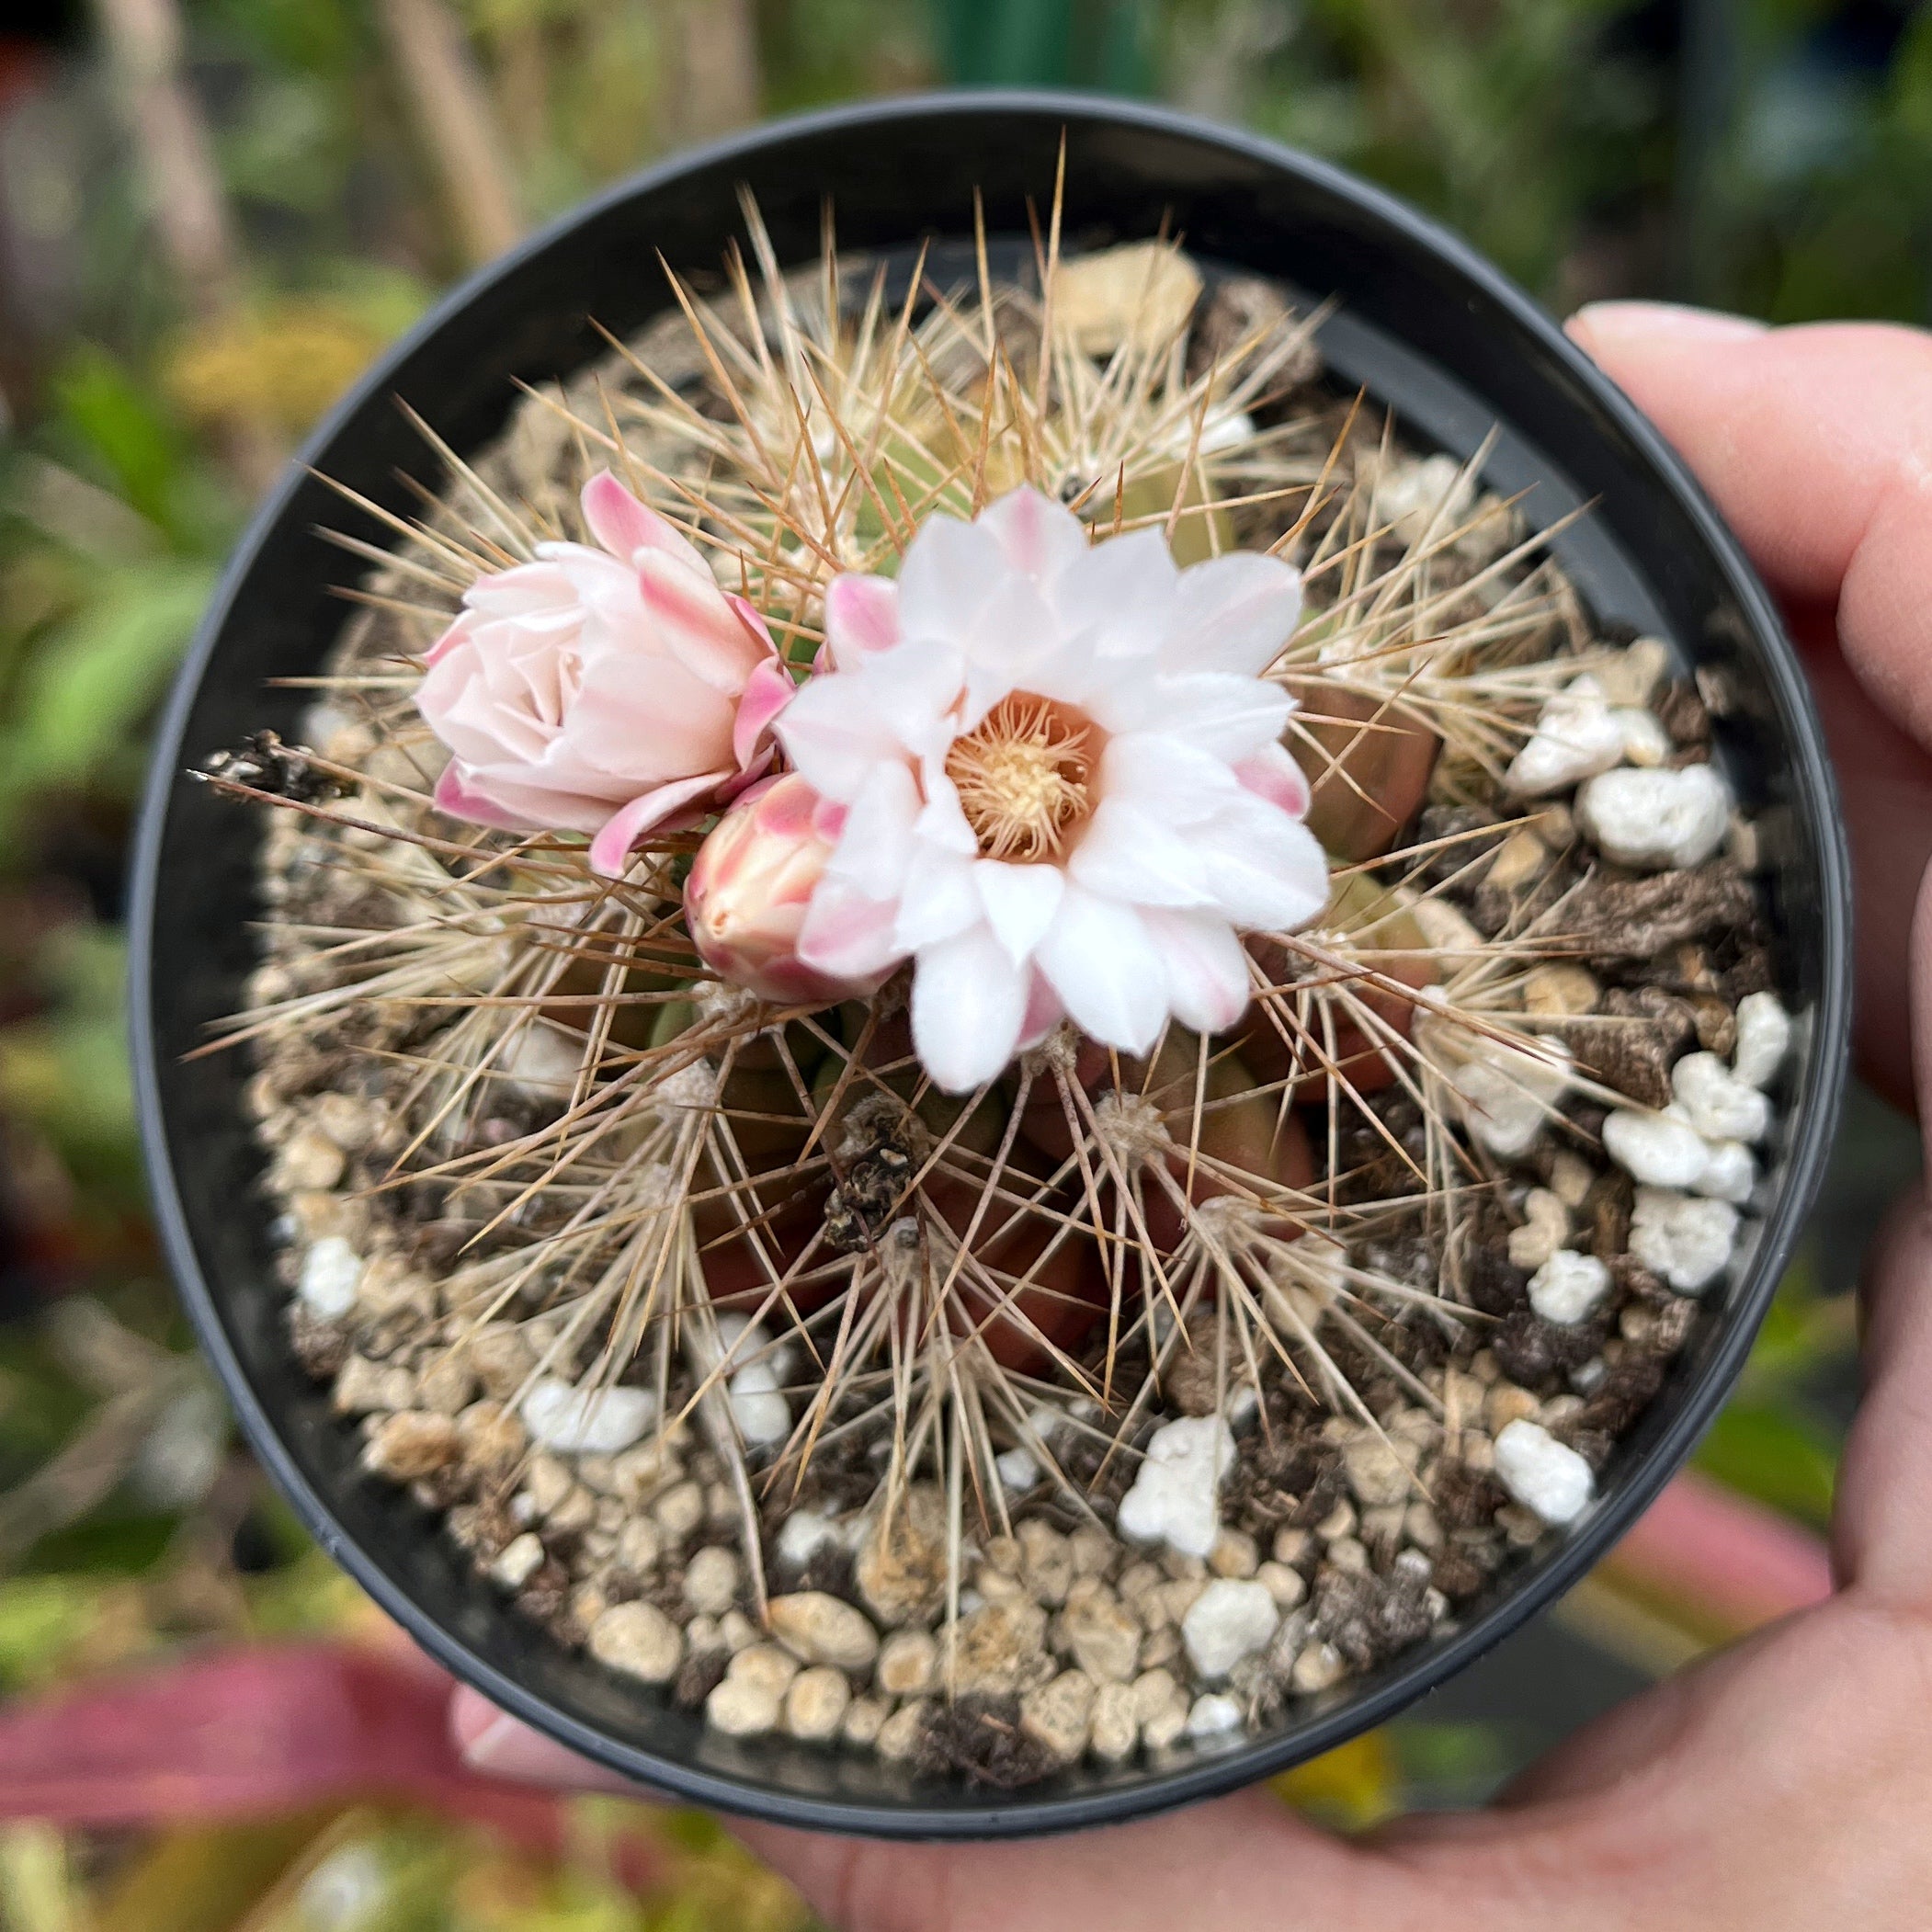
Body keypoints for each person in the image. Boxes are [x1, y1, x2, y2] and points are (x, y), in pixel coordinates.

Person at [448, 304, 1932, 1931]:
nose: (1019, 786)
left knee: (1216, 969)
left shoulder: (1160, 777)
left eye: (1049, 770)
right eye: (983, 768)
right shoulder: (873, 843)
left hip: (1076, 872)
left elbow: (1217, 826)